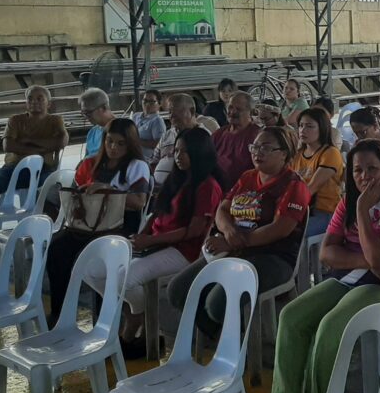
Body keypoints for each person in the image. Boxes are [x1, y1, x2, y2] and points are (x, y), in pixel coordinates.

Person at [257, 138, 380, 393]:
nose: (364, 176)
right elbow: (327, 253)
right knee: (292, 316)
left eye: (372, 169)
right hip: (348, 278)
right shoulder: (349, 201)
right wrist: (367, 259)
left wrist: (362, 211)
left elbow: (379, 260)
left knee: (331, 326)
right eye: (358, 170)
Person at [89, 127, 223, 358]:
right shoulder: (177, 178)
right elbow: (157, 213)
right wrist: (141, 236)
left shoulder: (207, 186)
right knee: (93, 269)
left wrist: (151, 240)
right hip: (155, 242)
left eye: (185, 152)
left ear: (200, 154)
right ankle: (138, 312)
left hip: (183, 251)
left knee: (123, 279)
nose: (179, 157)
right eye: (177, 151)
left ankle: (136, 324)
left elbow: (194, 231)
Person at [168, 126, 310, 338]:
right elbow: (222, 210)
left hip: (273, 256)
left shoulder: (293, 185)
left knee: (217, 304)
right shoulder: (248, 177)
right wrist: (227, 231)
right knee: (178, 291)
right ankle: (223, 336)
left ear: (284, 153)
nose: (257, 153)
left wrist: (232, 242)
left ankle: (238, 343)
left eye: (266, 148)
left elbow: (280, 229)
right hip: (234, 249)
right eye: (255, 147)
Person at [47, 118, 149, 326]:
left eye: (120, 143)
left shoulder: (136, 166)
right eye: (109, 141)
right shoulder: (93, 164)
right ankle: (60, 313)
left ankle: (103, 322)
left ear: (130, 144)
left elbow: (139, 201)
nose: (113, 147)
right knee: (57, 249)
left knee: (100, 259)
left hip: (120, 225)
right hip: (89, 223)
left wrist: (107, 190)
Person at [0, 85, 66, 209]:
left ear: (49, 104)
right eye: (30, 99)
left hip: (44, 169)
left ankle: (46, 220)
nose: (34, 102)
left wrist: (28, 140)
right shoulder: (15, 120)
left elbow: (61, 142)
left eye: (39, 99)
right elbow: (8, 145)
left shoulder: (55, 121)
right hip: (13, 168)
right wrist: (42, 149)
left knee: (50, 189)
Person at [292, 107, 344, 239]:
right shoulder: (298, 155)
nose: (303, 130)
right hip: (301, 209)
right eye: (301, 125)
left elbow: (311, 188)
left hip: (325, 212)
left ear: (322, 129)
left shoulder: (330, 153)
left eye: (309, 126)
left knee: (291, 234)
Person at [154, 93, 211, 185]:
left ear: (192, 111)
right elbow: (154, 160)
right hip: (160, 188)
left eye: (177, 111)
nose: (171, 116)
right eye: (170, 111)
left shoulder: (204, 136)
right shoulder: (167, 135)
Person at [212, 91, 261, 190]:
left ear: (251, 112)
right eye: (230, 107)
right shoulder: (219, 134)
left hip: (244, 191)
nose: (232, 112)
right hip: (217, 189)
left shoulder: (257, 135)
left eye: (238, 109)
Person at [132, 88, 166, 165]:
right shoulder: (136, 116)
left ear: (159, 104)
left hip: (147, 161)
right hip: (133, 157)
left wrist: (136, 140)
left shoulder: (157, 121)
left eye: (152, 102)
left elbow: (159, 144)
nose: (147, 104)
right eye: (145, 101)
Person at [79, 87, 113, 158]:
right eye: (84, 113)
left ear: (104, 108)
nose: (86, 117)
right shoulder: (92, 132)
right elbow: (86, 157)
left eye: (88, 112)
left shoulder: (121, 129)